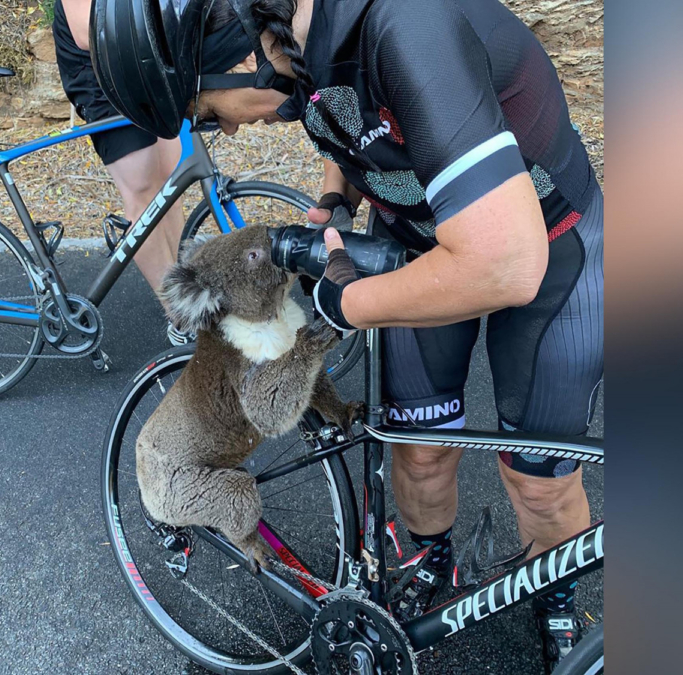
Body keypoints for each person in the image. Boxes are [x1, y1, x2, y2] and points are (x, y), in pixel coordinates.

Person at [91, 0, 603, 669]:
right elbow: (347, 122)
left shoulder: (405, 27)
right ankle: (427, 557)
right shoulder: (298, 43)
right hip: (416, 241)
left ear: (233, 53)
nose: (228, 133)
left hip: (550, 250)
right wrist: (338, 195)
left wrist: (345, 303)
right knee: (418, 451)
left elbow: (505, 262)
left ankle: (554, 594)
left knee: (538, 480)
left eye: (208, 114)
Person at [52, 0, 191, 345]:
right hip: (98, 74)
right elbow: (86, 33)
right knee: (142, 189)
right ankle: (181, 317)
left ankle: (183, 289)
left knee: (171, 181)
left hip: (141, 66)